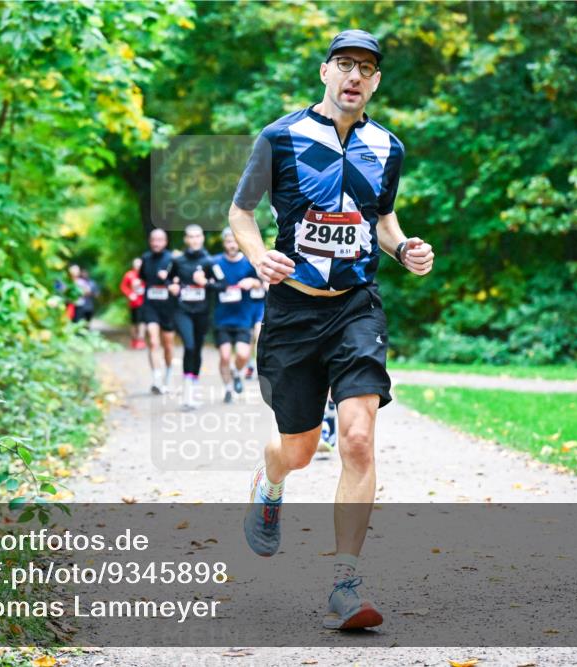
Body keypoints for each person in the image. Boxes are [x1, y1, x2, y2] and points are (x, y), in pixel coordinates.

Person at [228, 29, 435, 631]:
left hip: (356, 307)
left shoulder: (387, 146)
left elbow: (383, 219)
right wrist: (258, 256)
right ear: (325, 71)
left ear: (376, 81)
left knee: (358, 439)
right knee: (296, 449)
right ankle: (270, 484)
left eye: (366, 68)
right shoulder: (281, 137)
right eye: (345, 64)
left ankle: (346, 582)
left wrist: (405, 249)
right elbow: (241, 212)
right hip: (294, 311)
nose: (354, 76)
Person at [167, 224, 224, 411]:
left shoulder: (209, 262)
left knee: (197, 348)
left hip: (202, 311)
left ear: (202, 238)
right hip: (182, 310)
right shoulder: (178, 261)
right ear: (186, 239)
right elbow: (168, 278)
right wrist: (172, 286)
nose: (194, 240)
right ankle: (187, 392)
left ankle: (194, 385)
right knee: (189, 345)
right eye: (190, 237)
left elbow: (223, 285)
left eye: (197, 236)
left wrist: (205, 283)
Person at [212, 228, 261, 404]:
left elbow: (262, 283)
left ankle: (237, 372)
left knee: (242, 355)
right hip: (222, 317)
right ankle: (228, 389)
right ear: (224, 243)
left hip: (243, 317)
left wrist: (253, 282)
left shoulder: (249, 263)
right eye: (228, 242)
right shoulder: (215, 263)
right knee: (224, 356)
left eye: (234, 241)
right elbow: (202, 278)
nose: (231, 245)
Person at [139, 229, 177, 394]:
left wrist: (167, 279)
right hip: (151, 306)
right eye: (153, 240)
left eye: (160, 240)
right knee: (153, 341)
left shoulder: (172, 259)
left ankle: (168, 376)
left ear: (165, 242)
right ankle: (156, 378)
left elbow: (178, 281)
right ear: (150, 241)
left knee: (168, 345)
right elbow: (142, 277)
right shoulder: (145, 258)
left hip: (168, 307)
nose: (156, 243)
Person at [120, 257, 147, 349]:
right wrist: (130, 294)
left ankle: (141, 339)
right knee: (134, 322)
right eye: (136, 264)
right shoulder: (129, 275)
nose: (138, 266)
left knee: (142, 321)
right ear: (133, 265)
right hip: (134, 303)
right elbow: (123, 286)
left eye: (140, 264)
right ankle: (134, 339)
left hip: (144, 301)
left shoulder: (145, 274)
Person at [245, 277, 267, 380]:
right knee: (248, 339)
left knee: (259, 337)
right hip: (247, 307)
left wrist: (262, 283)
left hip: (261, 307)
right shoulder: (247, 269)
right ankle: (250, 366)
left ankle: (260, 367)